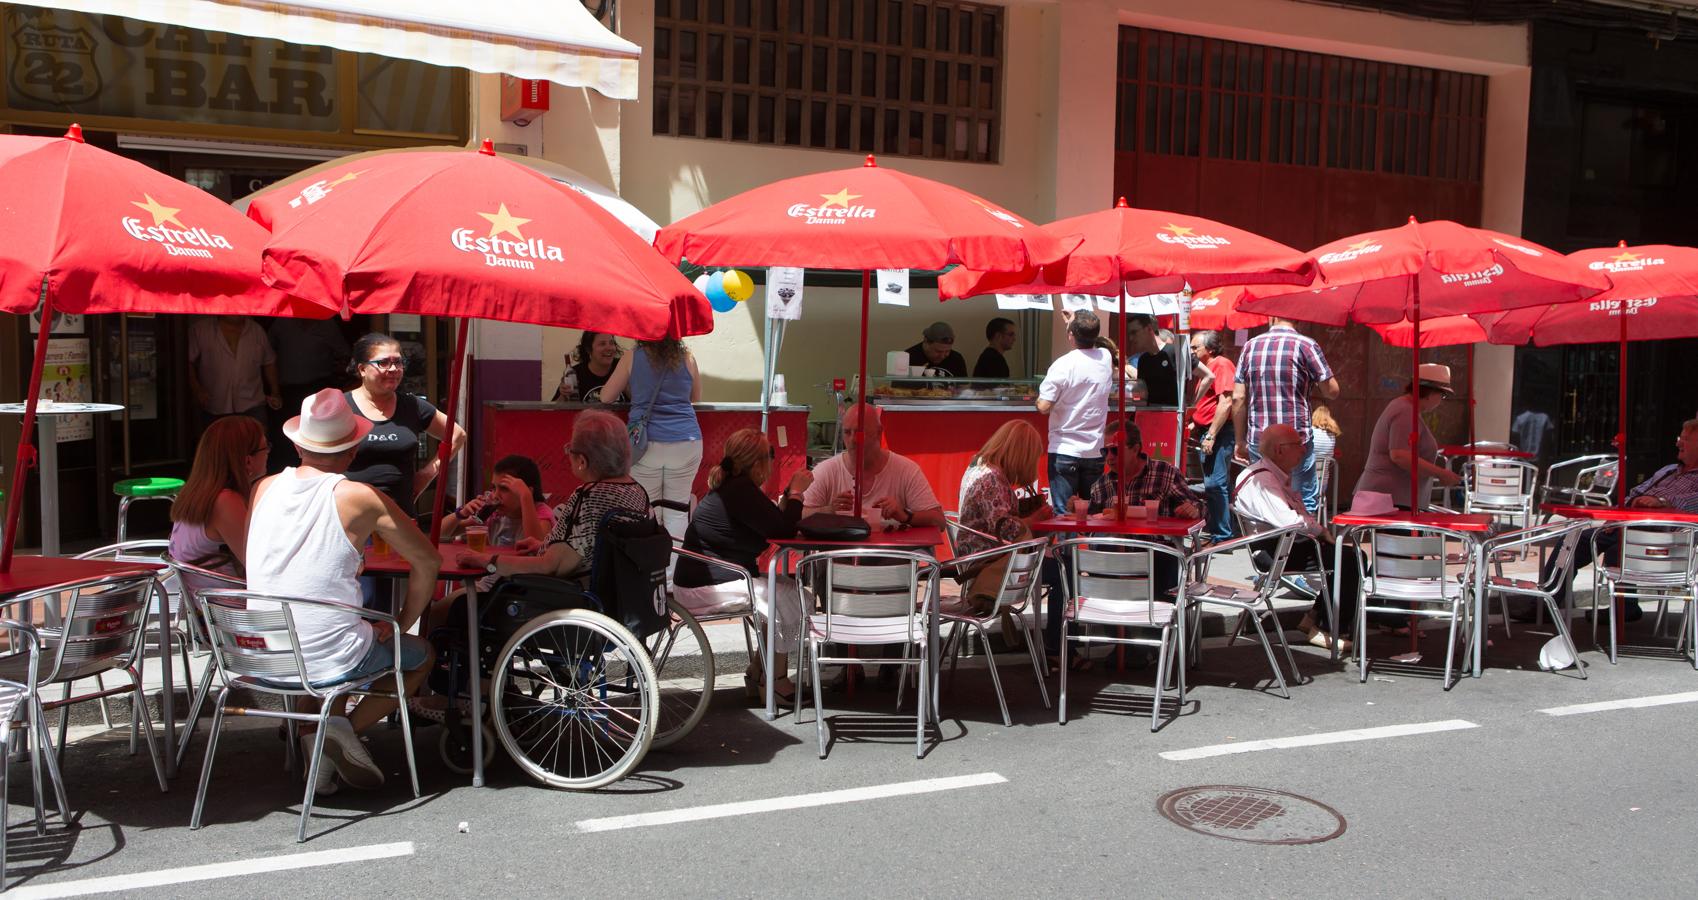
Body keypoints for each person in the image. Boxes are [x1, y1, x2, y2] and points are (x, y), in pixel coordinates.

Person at [246, 389, 440, 795]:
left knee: (334, 632)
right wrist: (399, 624)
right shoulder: (358, 496)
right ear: (353, 451)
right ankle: (335, 733)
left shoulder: (262, 488)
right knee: (419, 655)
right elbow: (428, 562)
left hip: (261, 653)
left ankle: (319, 753)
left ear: (298, 444)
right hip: (324, 656)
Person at [673, 429, 814, 701]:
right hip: (704, 586)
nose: (773, 462)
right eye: (771, 456)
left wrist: (790, 495)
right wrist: (796, 492)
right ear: (759, 463)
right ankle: (775, 681)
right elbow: (783, 529)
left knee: (787, 590)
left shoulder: (737, 487)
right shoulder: (739, 490)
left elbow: (773, 520)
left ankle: (759, 671)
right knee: (787, 595)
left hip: (712, 578)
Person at [459, 410, 651, 581]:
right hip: (622, 590)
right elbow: (588, 547)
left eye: (570, 450)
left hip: (572, 594)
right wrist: (543, 545)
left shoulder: (588, 496)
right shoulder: (638, 491)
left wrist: (486, 560)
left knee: (452, 610)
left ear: (582, 461)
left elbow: (549, 567)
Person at [1542, 419, 1698, 622]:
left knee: (1620, 547)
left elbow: (1693, 502)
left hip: (1665, 540)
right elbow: (1634, 493)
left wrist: (1661, 501)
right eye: (1680, 438)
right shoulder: (1668, 470)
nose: (1678, 443)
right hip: (1626, 527)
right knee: (1573, 539)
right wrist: (1622, 512)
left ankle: (1625, 607)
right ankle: (1546, 602)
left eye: (1685, 439)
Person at [1235, 423, 1359, 651]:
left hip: (1285, 543)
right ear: (1279, 450)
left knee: (1347, 555)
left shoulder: (1272, 474)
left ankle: (1315, 616)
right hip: (1275, 551)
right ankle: (1328, 628)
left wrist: (1316, 530)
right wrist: (1320, 531)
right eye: (1297, 445)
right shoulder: (1263, 481)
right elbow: (1289, 521)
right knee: (1350, 559)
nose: (1303, 450)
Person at [955, 420, 1066, 659]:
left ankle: (1056, 648)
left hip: (982, 559)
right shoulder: (992, 478)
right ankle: (1057, 649)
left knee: (1056, 568)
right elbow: (1006, 529)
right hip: (990, 565)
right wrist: (1036, 517)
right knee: (1062, 572)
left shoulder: (979, 468)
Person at [343, 333, 467, 521]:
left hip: (400, 518)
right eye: (383, 363)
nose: (393, 369)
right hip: (351, 516)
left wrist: (426, 475)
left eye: (398, 362)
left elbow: (457, 435)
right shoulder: (341, 407)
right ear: (362, 369)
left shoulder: (412, 406)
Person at [1230, 316, 1339, 513]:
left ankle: (1269, 542)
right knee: (1303, 500)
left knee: (1264, 497)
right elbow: (1332, 391)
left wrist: (1239, 440)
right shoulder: (1306, 345)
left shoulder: (1250, 346)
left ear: (1272, 319)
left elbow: (1238, 397)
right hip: (1295, 439)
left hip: (1260, 439)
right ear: (1299, 320)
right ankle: (1302, 542)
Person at [602, 337, 701, 543]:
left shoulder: (631, 357)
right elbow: (695, 397)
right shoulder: (688, 357)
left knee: (648, 509)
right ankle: (673, 573)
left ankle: (651, 571)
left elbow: (606, 397)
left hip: (646, 445)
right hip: (686, 440)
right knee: (678, 511)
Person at [802, 403, 945, 531]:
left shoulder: (905, 470)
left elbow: (939, 521)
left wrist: (904, 515)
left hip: (893, 557)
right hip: (837, 557)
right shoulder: (827, 471)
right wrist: (829, 510)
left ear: (878, 433)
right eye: (847, 432)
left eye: (860, 432)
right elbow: (798, 515)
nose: (852, 440)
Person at [1353, 364, 1461, 511]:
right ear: (1429, 393)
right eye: (1443, 395)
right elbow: (1399, 455)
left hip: (1394, 499)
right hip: (1390, 500)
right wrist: (1441, 473)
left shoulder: (1405, 408)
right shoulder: (1405, 411)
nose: (1442, 400)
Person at [169, 416, 267, 578]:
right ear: (248, 461)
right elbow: (259, 565)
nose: (268, 454)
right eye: (266, 448)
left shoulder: (198, 491)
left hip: (198, 596)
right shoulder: (225, 501)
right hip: (224, 600)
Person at [1037, 309, 1111, 515]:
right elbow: (1094, 340)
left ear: (1071, 335)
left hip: (1065, 449)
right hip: (1095, 450)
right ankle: (1094, 548)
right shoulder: (1104, 358)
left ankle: (1068, 549)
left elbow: (1043, 407)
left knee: (1063, 513)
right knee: (1094, 513)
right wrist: (1073, 323)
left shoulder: (1063, 365)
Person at [266, 317, 350, 472]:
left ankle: (316, 469)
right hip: (287, 389)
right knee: (287, 435)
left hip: (317, 388)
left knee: (317, 436)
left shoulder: (327, 324)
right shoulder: (283, 321)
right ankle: (287, 470)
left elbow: (343, 352)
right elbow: (267, 350)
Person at [441, 454, 555, 554]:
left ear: (527, 492)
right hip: (495, 573)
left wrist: (525, 497)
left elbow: (537, 550)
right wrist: (461, 513)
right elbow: (441, 533)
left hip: (524, 576)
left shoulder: (541, 513)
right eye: (493, 488)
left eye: (504, 488)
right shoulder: (493, 514)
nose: (495, 495)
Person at [186, 315, 281, 430]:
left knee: (256, 446)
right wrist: (197, 390)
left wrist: (275, 391)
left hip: (252, 405)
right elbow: (187, 361)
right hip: (215, 406)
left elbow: (269, 361)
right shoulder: (201, 329)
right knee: (218, 447)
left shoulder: (257, 331)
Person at [1190, 329, 1237, 541]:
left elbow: (1226, 401)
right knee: (1214, 483)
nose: (1190, 352)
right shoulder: (1206, 368)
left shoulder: (1221, 364)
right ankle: (1218, 529)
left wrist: (1211, 434)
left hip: (1218, 433)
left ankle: (1223, 534)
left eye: (1194, 348)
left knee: (1215, 484)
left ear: (1209, 349)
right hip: (1207, 431)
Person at [552, 331, 626, 402]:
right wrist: (563, 395)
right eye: (602, 344)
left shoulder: (625, 368)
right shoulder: (575, 374)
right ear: (588, 349)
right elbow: (554, 410)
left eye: (611, 343)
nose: (609, 348)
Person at [1125, 314, 1177, 406]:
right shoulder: (1143, 359)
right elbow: (1143, 393)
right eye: (1129, 334)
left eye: (1134, 332)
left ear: (1149, 329)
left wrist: (1191, 405)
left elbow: (1208, 376)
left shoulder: (1174, 352)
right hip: (1148, 415)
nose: (1131, 338)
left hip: (1172, 416)